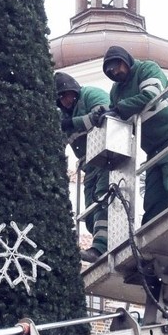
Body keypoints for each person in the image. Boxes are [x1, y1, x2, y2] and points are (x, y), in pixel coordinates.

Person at [102, 45, 168, 224]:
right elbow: (119, 120)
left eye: (116, 65)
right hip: (153, 146)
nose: (114, 71)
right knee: (153, 198)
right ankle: (153, 230)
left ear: (126, 60)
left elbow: (151, 96)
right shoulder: (116, 91)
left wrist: (117, 110)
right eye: (110, 70)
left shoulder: (147, 69)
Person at [55, 71, 111, 265]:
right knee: (90, 212)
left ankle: (100, 247)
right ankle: (103, 241)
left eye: (66, 95)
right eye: (60, 98)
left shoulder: (90, 94)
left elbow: (103, 112)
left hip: (107, 155)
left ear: (74, 90)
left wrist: (72, 123)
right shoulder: (62, 117)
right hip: (89, 166)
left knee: (103, 199)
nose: (65, 101)